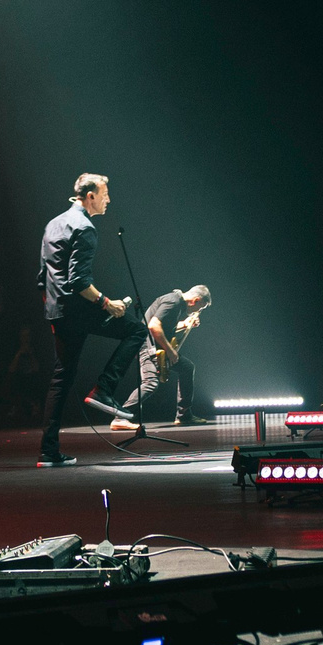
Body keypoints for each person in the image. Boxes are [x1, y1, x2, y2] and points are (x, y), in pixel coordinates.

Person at [36, 173, 130, 467]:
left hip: (57, 312)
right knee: (137, 331)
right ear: (90, 196)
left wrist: (55, 310)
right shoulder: (85, 227)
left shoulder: (53, 223)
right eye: (105, 194)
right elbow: (78, 281)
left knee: (61, 379)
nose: (108, 199)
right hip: (77, 312)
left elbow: (43, 279)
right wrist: (107, 303)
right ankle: (104, 390)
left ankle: (48, 452)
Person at [115, 284, 210, 428]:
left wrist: (184, 324)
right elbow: (153, 326)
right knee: (151, 382)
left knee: (187, 367)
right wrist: (171, 351)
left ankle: (184, 415)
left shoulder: (177, 303)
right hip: (147, 346)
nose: (198, 311)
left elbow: (163, 325)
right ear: (195, 300)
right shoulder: (174, 301)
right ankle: (120, 417)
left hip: (155, 346)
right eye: (201, 307)